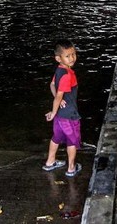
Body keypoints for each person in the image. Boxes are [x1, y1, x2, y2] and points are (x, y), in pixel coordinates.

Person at [43, 40, 83, 177]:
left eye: (73, 54)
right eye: (68, 56)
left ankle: (50, 162)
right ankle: (71, 168)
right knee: (72, 141)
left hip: (61, 114)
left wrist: (58, 103)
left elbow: (52, 85)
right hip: (69, 114)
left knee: (56, 137)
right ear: (58, 58)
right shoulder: (68, 75)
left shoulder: (59, 70)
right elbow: (60, 94)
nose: (72, 58)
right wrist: (54, 110)